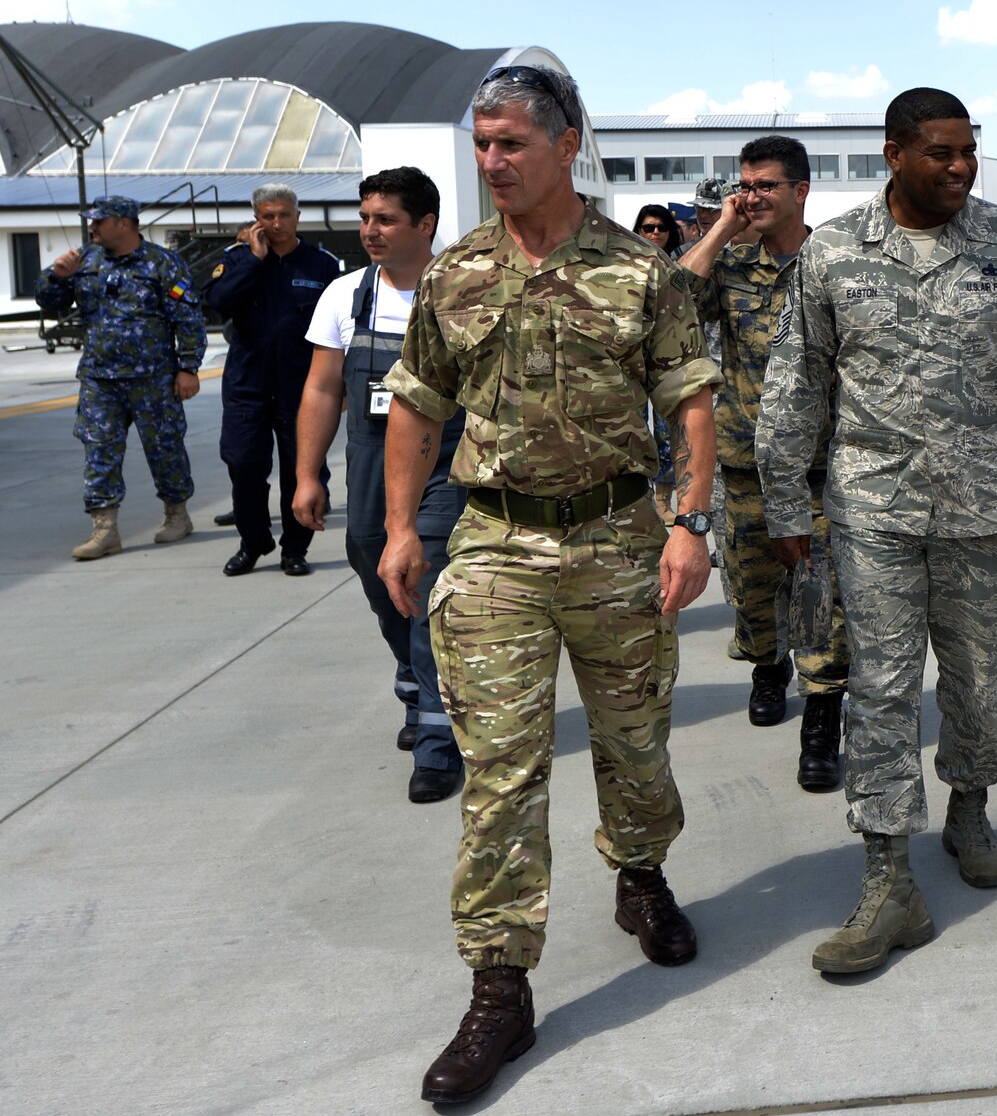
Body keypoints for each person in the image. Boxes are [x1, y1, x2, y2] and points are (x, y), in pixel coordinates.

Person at [379, 64, 721, 1105]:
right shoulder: (454, 274)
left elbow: (691, 400)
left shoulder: (638, 271)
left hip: (620, 535)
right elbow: (415, 404)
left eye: (510, 145)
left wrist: (689, 521)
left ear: (567, 144)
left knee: (632, 739)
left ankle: (640, 873)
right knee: (500, 771)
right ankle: (499, 985)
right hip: (493, 546)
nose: (491, 163)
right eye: (481, 145)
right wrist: (400, 527)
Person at [757, 86, 997, 975]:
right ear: (894, 153)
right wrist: (789, 505)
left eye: (968, 151)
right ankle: (886, 877)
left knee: (985, 681)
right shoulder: (833, 252)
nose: (958, 167)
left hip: (990, 508)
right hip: (873, 508)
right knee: (880, 687)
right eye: (939, 152)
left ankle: (970, 806)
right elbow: (797, 383)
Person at [673, 134, 851, 791]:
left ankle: (820, 721)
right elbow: (669, 306)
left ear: (802, 190)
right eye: (743, 185)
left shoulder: (837, 262)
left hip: (820, 468)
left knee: (821, 600)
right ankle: (766, 666)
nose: (751, 196)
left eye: (764, 185)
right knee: (751, 598)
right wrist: (721, 227)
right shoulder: (732, 263)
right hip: (745, 464)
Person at [292, 167, 466, 804]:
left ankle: (436, 740)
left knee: (422, 573)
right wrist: (309, 474)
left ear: (425, 225)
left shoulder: (462, 290)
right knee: (370, 559)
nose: (370, 231)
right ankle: (415, 678)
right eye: (365, 218)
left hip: (447, 460)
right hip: (370, 459)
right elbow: (321, 388)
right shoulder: (345, 296)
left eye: (385, 219)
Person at [36, 195, 206, 559]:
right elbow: (50, 303)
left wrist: (188, 368)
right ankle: (105, 529)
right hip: (100, 379)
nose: (91, 227)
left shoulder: (162, 263)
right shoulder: (84, 261)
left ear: (124, 223)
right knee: (98, 450)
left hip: (153, 379)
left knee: (164, 449)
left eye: (99, 220)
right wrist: (55, 277)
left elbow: (188, 319)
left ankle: (177, 515)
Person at [205, 184, 343, 576]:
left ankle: (294, 550)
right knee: (243, 464)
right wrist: (254, 260)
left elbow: (340, 327)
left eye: (284, 214)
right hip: (248, 386)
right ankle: (254, 542)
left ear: (298, 216)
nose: (277, 223)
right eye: (268, 216)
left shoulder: (321, 264)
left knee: (304, 470)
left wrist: (342, 384)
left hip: (303, 389)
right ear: (256, 220)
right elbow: (215, 304)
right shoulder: (236, 260)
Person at [633, 204, 684, 520]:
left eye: (660, 228)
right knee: (635, 429)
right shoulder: (625, 261)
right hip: (632, 360)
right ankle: (642, 498)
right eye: (648, 227)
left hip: (669, 358)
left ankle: (665, 500)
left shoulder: (679, 264)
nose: (654, 234)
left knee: (667, 434)